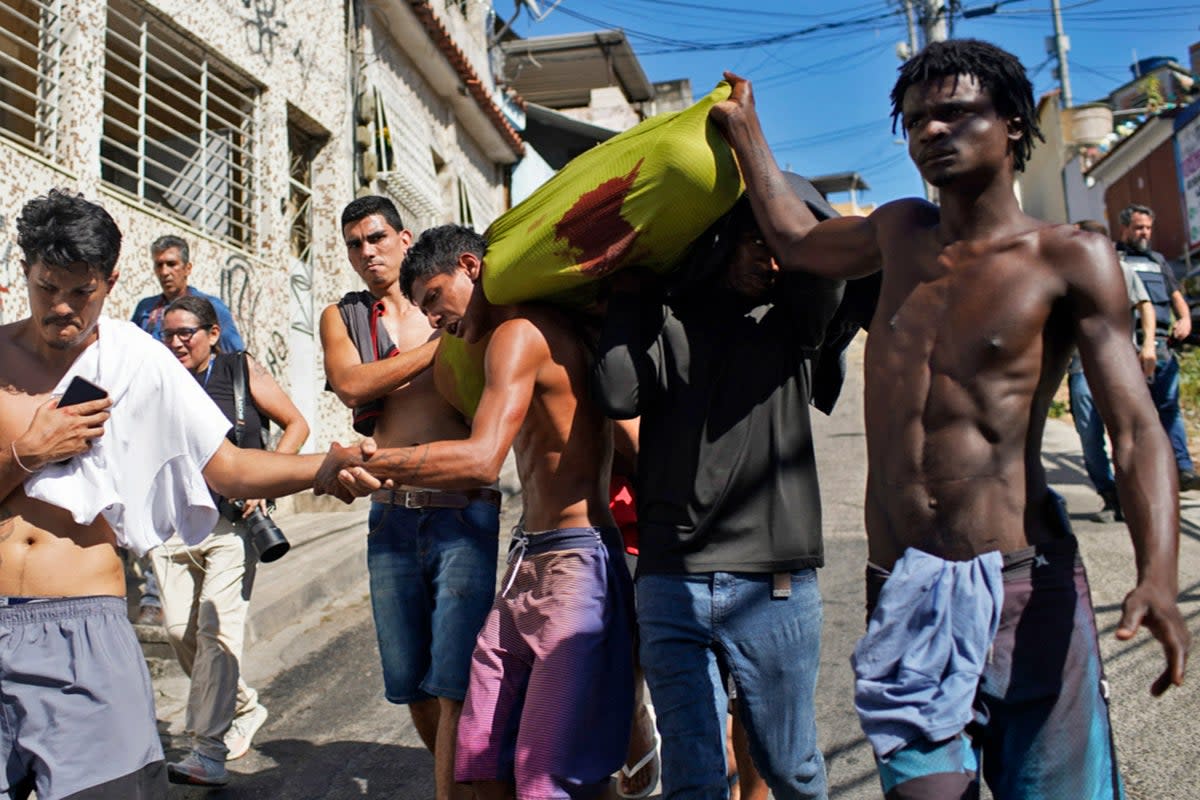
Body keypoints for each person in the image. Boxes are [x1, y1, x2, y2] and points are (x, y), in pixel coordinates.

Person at [710, 39, 1189, 799]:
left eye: (956, 113)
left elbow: (1133, 430)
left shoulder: (1069, 257)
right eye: (916, 120)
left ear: (1013, 123)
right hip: (903, 584)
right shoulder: (898, 233)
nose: (931, 131)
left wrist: (1156, 575)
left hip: (1025, 588)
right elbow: (796, 240)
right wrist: (748, 134)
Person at [0, 189, 356, 800]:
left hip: (83, 625)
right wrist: (29, 452)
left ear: (110, 282)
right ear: (24, 270)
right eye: (45, 287)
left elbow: (229, 468)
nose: (61, 308)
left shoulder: (140, 361)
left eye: (80, 292)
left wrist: (322, 465)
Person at [328, 224, 635, 800]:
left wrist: (377, 461)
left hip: (574, 563)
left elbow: (480, 460)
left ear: (470, 266)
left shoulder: (518, 333)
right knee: (477, 753)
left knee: (547, 772)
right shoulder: (515, 337)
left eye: (435, 299)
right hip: (530, 561)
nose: (435, 318)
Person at [593, 188, 844, 799]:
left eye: (781, 244)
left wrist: (777, 205)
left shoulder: (793, 324)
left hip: (774, 584)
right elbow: (618, 393)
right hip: (671, 581)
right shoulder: (667, 319)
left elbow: (827, 270)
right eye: (758, 241)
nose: (774, 260)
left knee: (790, 768)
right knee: (694, 775)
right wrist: (631, 291)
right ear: (722, 242)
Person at [319, 196, 500, 800]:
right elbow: (350, 384)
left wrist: (444, 332)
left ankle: (456, 789)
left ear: (404, 237)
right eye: (354, 243)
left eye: (375, 238)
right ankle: (459, 779)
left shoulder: (449, 300)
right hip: (391, 516)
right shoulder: (344, 318)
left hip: (464, 509)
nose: (366, 252)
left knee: (454, 679)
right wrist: (440, 346)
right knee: (411, 682)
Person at [152, 295, 308, 786]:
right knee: (180, 632)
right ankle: (242, 705)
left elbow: (296, 424)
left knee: (216, 635)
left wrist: (267, 481)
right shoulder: (157, 379)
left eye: (186, 334)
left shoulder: (239, 369)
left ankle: (207, 751)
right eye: (168, 334)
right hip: (174, 526)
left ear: (212, 334)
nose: (176, 342)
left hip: (233, 526)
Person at [129, 234, 245, 625]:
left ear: (187, 267)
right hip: (156, 421)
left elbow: (236, 360)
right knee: (156, 500)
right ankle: (153, 594)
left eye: (171, 264)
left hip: (200, 419)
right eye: (159, 265)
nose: (165, 272)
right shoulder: (146, 312)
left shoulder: (211, 309)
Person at [1068, 219, 1157, 522]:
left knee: (1127, 432)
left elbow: (1145, 305)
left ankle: (1134, 497)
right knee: (1089, 435)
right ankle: (1109, 496)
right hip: (1081, 368)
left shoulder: (1122, 270)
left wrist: (1148, 346)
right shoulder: (1066, 275)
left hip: (1121, 366)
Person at [1115, 204, 1200, 491]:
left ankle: (1183, 469)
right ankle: (1144, 474)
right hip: (1128, 344)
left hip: (1162, 343)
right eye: (1139, 227)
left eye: (1149, 228)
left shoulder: (1158, 260)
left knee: (1169, 408)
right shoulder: (1114, 257)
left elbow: (1176, 296)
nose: (1145, 233)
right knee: (1136, 412)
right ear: (1125, 227)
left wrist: (1185, 319)